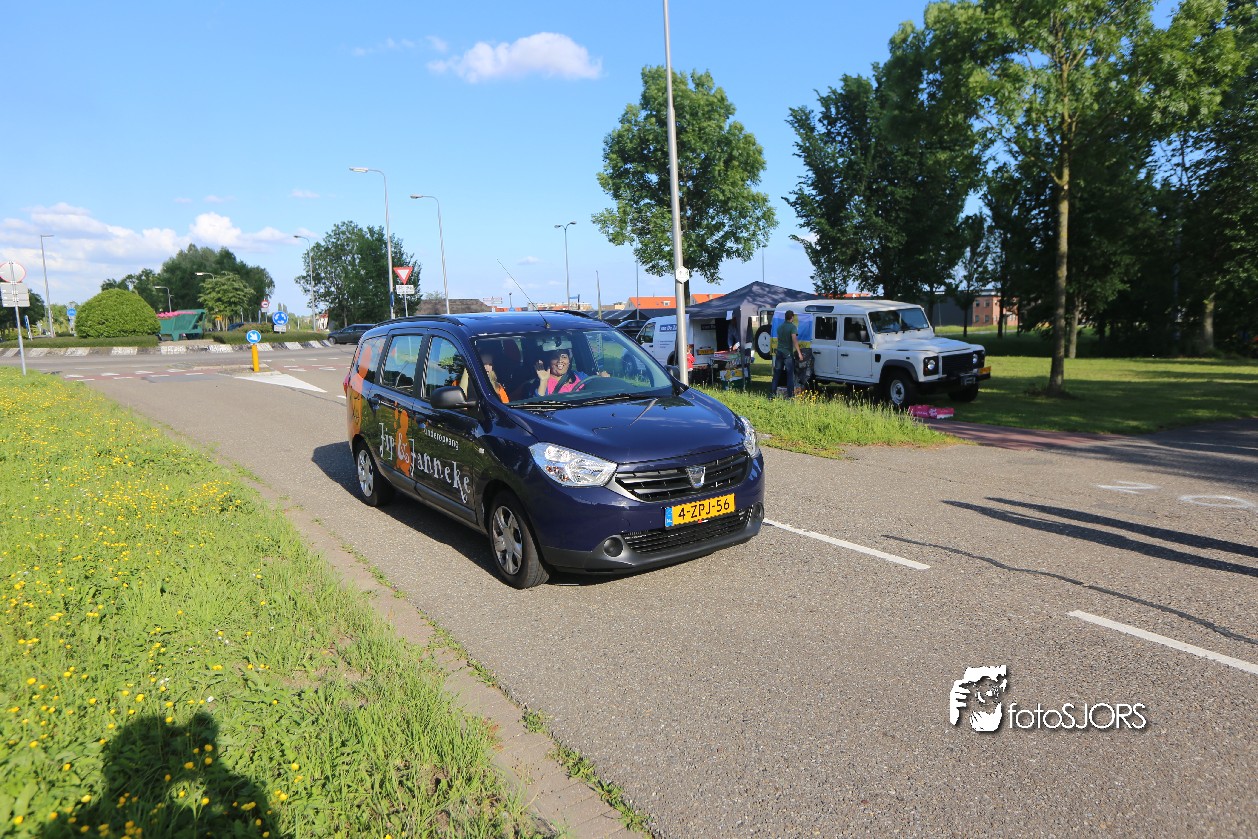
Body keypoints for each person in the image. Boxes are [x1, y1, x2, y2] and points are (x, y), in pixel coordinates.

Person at [775, 310, 803, 398]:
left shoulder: (779, 327)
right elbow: (794, 340)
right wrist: (799, 353)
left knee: (777, 374)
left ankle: (772, 393)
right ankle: (790, 395)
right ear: (792, 317)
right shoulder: (792, 327)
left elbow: (779, 339)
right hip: (787, 354)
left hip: (779, 352)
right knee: (790, 375)